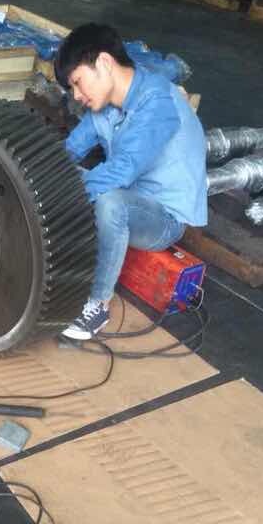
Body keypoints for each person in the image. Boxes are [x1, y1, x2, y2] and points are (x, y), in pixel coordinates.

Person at [54, 23, 208, 341]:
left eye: (78, 82)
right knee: (66, 177)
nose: (77, 96)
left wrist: (57, 195)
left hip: (163, 218)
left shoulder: (157, 103)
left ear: (104, 63)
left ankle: (97, 306)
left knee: (109, 200)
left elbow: (122, 171)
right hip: (129, 195)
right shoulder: (105, 104)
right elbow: (70, 149)